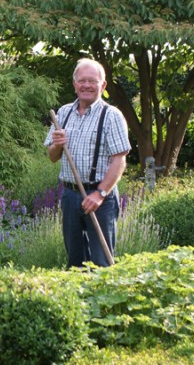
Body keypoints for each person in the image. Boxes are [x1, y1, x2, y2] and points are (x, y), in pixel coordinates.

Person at [44, 58, 131, 268]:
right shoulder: (63, 113)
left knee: (102, 262)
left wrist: (100, 194)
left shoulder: (112, 116)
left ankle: (104, 300)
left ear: (103, 85)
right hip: (70, 196)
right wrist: (57, 144)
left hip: (100, 198)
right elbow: (53, 156)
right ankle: (78, 300)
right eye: (81, 80)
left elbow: (119, 160)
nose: (86, 85)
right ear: (74, 84)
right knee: (75, 261)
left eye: (92, 81)